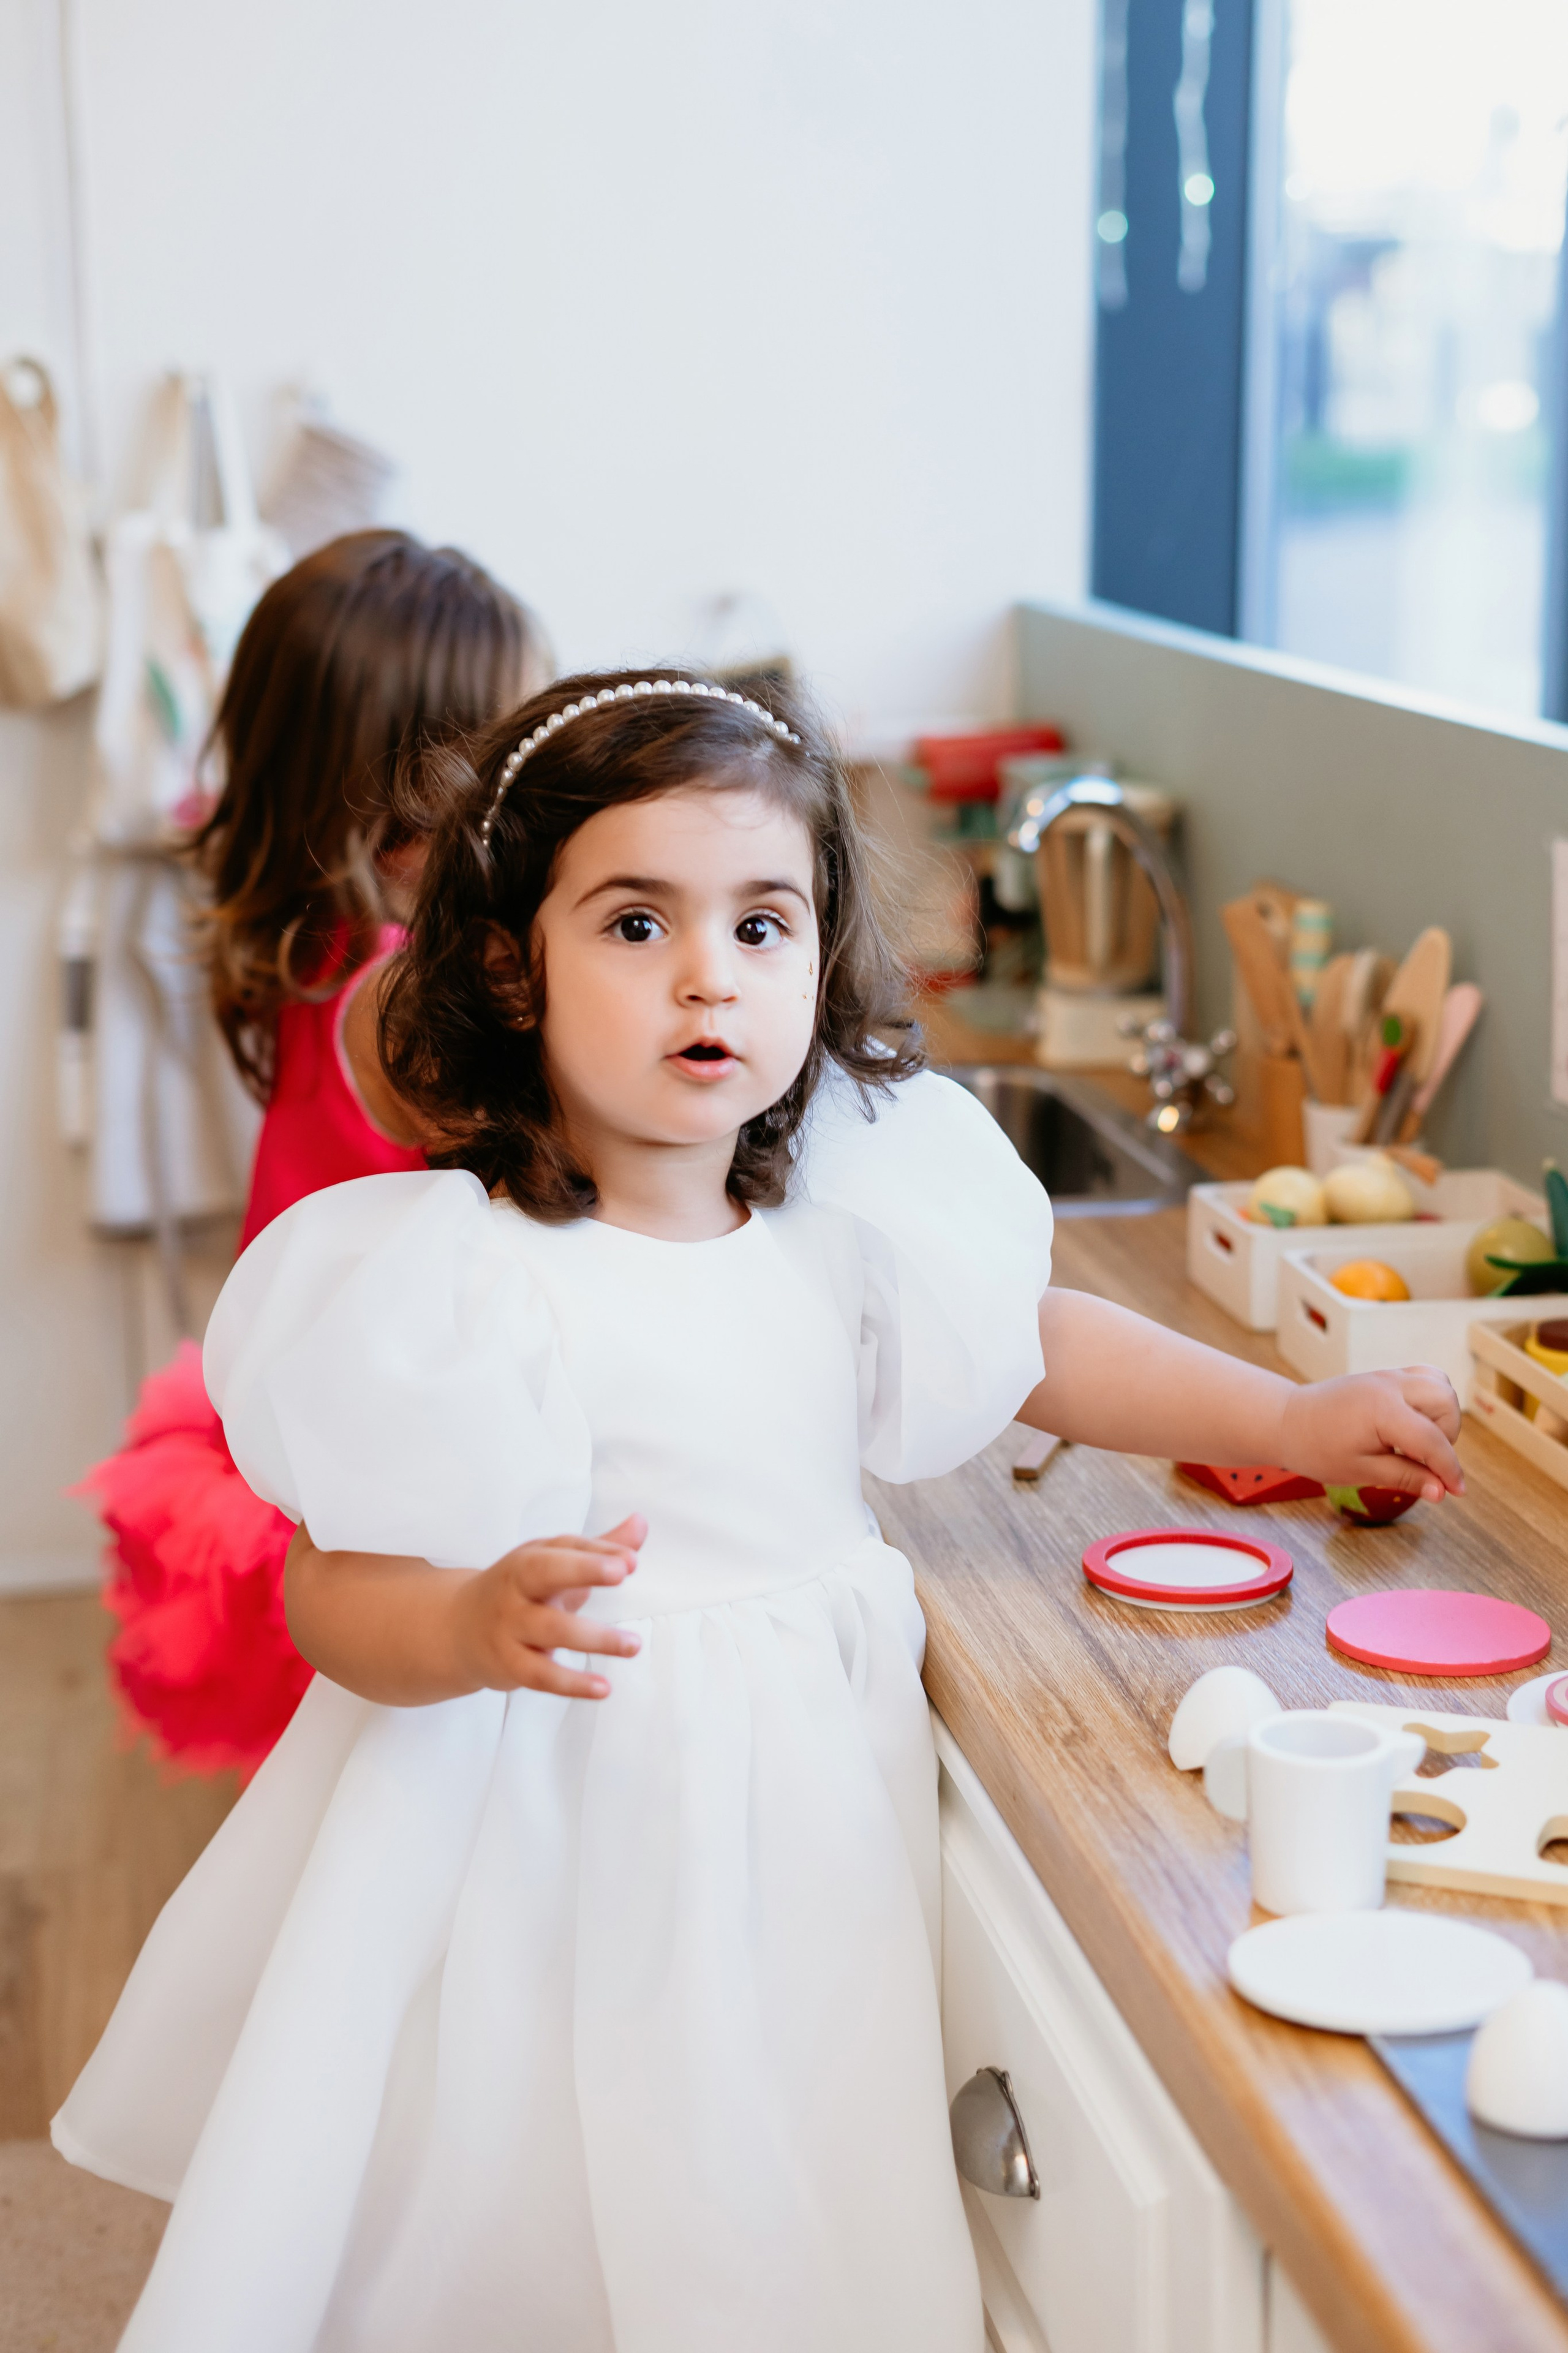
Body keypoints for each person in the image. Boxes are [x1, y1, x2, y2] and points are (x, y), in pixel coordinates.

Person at [53, 670, 1463, 2352]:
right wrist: (461, 1620)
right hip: (546, 1828)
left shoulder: (842, 1217)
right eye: (638, 923)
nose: (712, 971)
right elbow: (325, 1594)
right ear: (514, 963)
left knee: (778, 2189)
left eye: (765, 923)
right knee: (533, 2210)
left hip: (801, 1803)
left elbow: (1040, 1351)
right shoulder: (455, 1273)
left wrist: (1297, 1415)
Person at [77, 531, 551, 1780]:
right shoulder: (408, 1003)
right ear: (435, 793)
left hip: (318, 1405)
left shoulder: (322, 942)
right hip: (381, 1455)